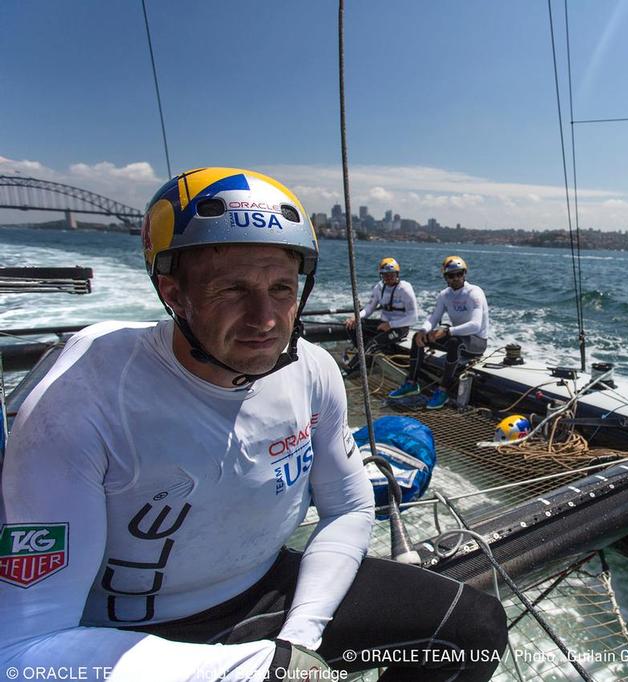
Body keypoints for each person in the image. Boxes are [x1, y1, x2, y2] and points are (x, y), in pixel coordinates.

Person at [0, 168, 507, 681]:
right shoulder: (82, 401)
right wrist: (249, 670)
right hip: (122, 638)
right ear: (174, 294)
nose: (265, 319)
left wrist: (298, 639)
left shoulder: (311, 370)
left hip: (264, 591)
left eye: (282, 289)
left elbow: (349, 505)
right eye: (232, 290)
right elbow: (22, 648)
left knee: (473, 628)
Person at [388, 255, 488, 410]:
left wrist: (447, 331)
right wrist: (424, 330)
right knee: (417, 338)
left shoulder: (474, 293)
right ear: (445, 277)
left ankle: (443, 391)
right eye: (451, 275)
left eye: (459, 274)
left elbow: (475, 325)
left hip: (477, 342)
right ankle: (411, 383)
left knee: (455, 342)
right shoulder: (445, 295)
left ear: (464, 274)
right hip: (456, 335)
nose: (455, 278)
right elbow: (434, 318)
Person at [343, 257, 418, 369]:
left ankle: (351, 368)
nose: (388, 278)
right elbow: (369, 309)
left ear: (397, 274)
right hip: (383, 323)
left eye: (391, 275)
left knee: (374, 343)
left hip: (400, 328)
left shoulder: (405, 289)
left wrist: (390, 325)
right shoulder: (379, 288)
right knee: (351, 327)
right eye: (385, 275)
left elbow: (413, 318)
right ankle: (365, 357)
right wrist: (356, 318)